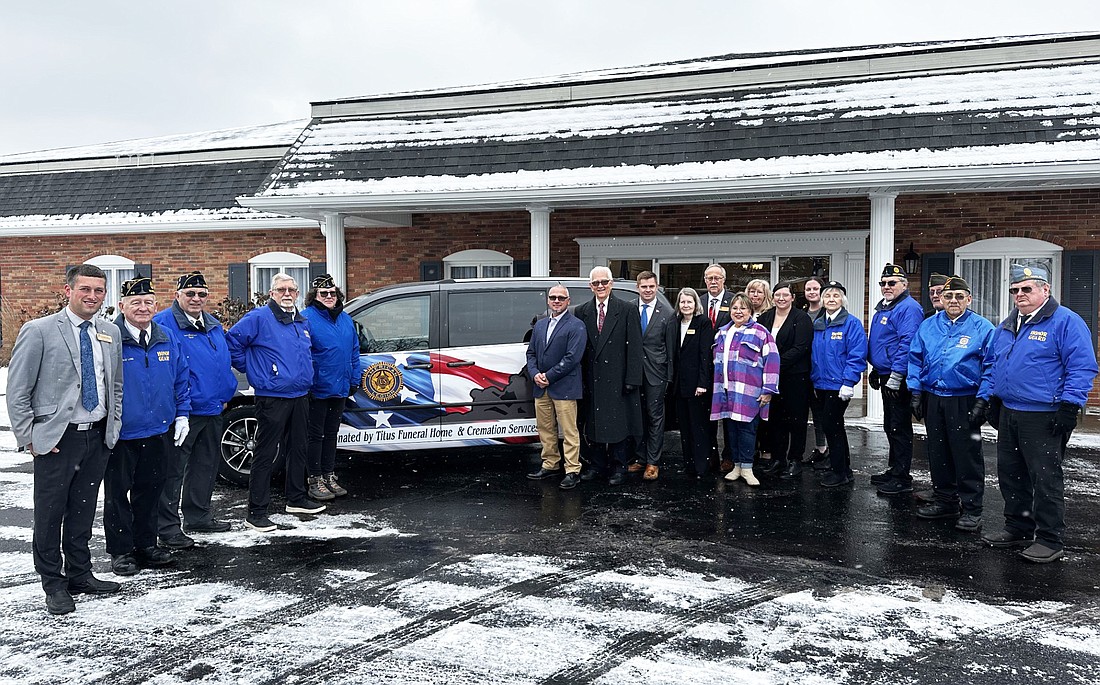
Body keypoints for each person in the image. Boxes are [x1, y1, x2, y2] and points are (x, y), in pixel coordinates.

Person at [7, 265, 124, 615]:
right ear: (68, 290)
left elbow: (114, 384)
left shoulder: (108, 332)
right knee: (50, 514)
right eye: (85, 289)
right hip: (58, 440)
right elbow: (17, 389)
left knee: (83, 511)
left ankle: (80, 573)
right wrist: (30, 436)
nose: (92, 296)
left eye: (99, 291)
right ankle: (53, 584)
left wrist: (113, 425)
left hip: (97, 437)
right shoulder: (39, 331)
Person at [982, 264, 1098, 563]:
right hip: (1010, 411)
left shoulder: (1065, 322)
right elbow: (996, 362)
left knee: (1045, 479)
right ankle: (1018, 527)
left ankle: (1050, 539)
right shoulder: (1008, 324)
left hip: (1044, 414)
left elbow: (1082, 366)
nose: (1020, 295)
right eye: (1015, 291)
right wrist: (994, 396)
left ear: (1045, 290)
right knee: (1011, 474)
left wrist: (1070, 405)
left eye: (1027, 289)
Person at [104, 276, 191, 577]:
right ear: (121, 306)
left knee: (150, 492)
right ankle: (121, 551)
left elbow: (181, 378)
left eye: (148, 302)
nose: (143, 308)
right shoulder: (110, 336)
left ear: (156, 305)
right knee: (117, 497)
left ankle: (146, 544)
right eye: (135, 302)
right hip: (121, 434)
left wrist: (182, 414)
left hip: (158, 431)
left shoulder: (166, 336)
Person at [227, 273, 325, 532]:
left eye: (292, 289)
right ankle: (256, 512)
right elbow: (233, 342)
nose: (287, 294)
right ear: (271, 293)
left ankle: (296, 498)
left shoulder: (300, 321)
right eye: (281, 289)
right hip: (273, 397)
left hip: (300, 395)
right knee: (266, 453)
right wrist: (253, 369)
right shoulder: (259, 318)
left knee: (298, 448)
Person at [154, 271, 238, 549]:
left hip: (213, 408)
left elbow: (220, 362)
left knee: (205, 465)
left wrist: (225, 393)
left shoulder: (212, 324)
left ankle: (198, 515)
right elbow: (164, 370)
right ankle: (166, 526)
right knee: (172, 470)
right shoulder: (163, 324)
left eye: (201, 294)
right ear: (177, 295)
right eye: (190, 293)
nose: (196, 298)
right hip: (184, 412)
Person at [906, 275, 995, 532]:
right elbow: (915, 358)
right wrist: (916, 391)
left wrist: (983, 399)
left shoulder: (982, 327)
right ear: (940, 300)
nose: (953, 301)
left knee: (966, 454)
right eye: (948, 296)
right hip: (935, 397)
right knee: (938, 451)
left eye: (959, 296)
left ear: (969, 299)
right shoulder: (928, 326)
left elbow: (990, 365)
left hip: (963, 398)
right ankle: (945, 500)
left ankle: (972, 508)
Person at [575, 266, 644, 486]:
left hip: (618, 378)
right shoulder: (582, 311)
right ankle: (596, 466)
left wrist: (632, 379)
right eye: (596, 283)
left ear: (611, 283)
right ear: (590, 286)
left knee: (618, 426)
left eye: (604, 282)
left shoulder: (626, 310)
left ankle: (619, 467)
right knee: (594, 424)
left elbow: (635, 347)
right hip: (592, 378)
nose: (600, 286)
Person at [300, 274, 362, 501]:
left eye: (332, 293)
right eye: (323, 293)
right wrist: (307, 383)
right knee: (315, 435)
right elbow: (301, 354)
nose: (329, 297)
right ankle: (314, 479)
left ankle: (328, 474)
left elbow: (354, 351)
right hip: (317, 387)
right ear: (314, 296)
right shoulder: (306, 318)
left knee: (332, 433)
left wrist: (354, 379)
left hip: (341, 386)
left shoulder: (345, 319)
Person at [867, 264, 924, 496]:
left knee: (899, 426)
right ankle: (894, 468)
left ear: (904, 285)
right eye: (883, 283)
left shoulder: (908, 308)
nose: (887, 287)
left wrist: (896, 375)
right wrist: (876, 368)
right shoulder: (885, 308)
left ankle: (902, 476)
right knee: (890, 424)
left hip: (897, 377)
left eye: (892, 283)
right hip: (885, 373)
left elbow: (907, 342)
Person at [713, 293, 780, 487]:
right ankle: (737, 466)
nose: (738, 312)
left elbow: (773, 361)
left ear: (750, 310)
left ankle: (748, 468)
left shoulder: (761, 333)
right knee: (731, 430)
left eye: (743, 308)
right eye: (735, 308)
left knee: (747, 430)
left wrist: (768, 389)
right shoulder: (722, 333)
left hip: (749, 391)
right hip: (726, 391)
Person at [525, 284, 588, 490]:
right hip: (541, 387)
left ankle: (572, 469)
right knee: (545, 428)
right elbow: (531, 353)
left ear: (568, 301)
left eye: (561, 297)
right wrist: (535, 374)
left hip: (564, 387)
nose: (557, 301)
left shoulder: (576, 325)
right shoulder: (540, 325)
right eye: (553, 297)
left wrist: (548, 376)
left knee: (569, 431)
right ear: (548, 300)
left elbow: (572, 358)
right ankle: (550, 463)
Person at [810, 281, 868, 488]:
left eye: (836, 296)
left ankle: (839, 472)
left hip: (838, 385)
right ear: (822, 300)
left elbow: (857, 354)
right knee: (834, 426)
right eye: (828, 296)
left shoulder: (851, 324)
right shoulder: (818, 323)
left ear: (842, 300)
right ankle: (844, 468)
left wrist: (848, 381)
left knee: (830, 424)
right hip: (821, 384)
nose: (831, 299)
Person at [757, 282, 814, 479]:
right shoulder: (766, 317)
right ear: (773, 297)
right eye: (777, 295)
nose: (781, 298)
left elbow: (801, 348)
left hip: (795, 377)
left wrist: (774, 363)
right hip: (772, 379)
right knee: (775, 419)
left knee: (796, 419)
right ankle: (778, 458)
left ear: (792, 297)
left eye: (785, 295)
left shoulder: (801, 318)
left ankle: (795, 459)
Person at [628, 271, 676, 481]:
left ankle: (652, 462)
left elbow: (671, 348)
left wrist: (669, 378)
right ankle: (639, 457)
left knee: (655, 417)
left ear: (657, 287)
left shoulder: (667, 312)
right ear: (637, 287)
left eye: (651, 286)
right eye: (643, 286)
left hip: (656, 374)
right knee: (635, 417)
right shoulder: (629, 308)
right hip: (633, 372)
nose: (647, 290)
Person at [670, 288, 715, 478]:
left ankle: (702, 467)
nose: (686, 305)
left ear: (696, 304)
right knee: (686, 428)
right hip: (680, 385)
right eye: (682, 302)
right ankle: (689, 464)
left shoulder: (703, 323)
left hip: (697, 385)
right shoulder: (676, 323)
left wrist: (702, 383)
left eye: (689, 302)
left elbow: (706, 355)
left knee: (699, 427)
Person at [702, 264, 735, 473]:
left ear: (724, 280)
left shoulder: (733, 301)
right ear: (705, 280)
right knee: (708, 415)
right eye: (709, 278)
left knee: (729, 415)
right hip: (705, 368)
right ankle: (711, 454)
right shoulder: (699, 301)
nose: (713, 282)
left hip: (727, 367)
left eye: (717, 278)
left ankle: (729, 456)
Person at [802, 276, 830, 469]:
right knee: (809, 412)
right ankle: (819, 448)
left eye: (815, 289)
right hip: (804, 369)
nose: (812, 292)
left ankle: (825, 450)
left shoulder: (827, 313)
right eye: (808, 289)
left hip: (822, 370)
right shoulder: (802, 314)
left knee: (823, 414)